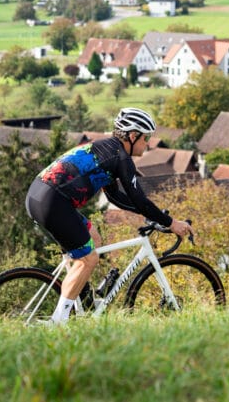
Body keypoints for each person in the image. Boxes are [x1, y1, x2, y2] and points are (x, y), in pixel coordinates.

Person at [25, 107, 194, 324]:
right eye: (146, 138)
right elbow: (139, 199)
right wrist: (171, 223)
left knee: (94, 238)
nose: (148, 143)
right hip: (53, 203)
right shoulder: (121, 158)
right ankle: (58, 321)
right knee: (89, 260)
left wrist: (152, 216)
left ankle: (83, 303)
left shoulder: (106, 150)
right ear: (133, 136)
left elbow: (116, 197)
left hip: (40, 196)